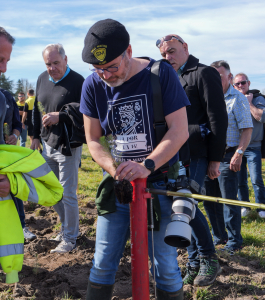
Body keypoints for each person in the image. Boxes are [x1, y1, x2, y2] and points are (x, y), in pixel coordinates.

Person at [80, 19, 190, 300]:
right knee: (103, 262)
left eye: (112, 67)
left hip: (160, 183)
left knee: (164, 265)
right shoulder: (92, 85)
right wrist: (114, 168)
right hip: (118, 186)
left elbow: (180, 130)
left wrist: (146, 165)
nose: (105, 75)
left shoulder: (159, 74)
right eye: (98, 69)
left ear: (128, 51)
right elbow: (93, 139)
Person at [157, 34, 227, 286]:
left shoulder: (204, 73)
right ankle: (194, 260)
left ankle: (209, 257)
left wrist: (215, 159)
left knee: (184, 203)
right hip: (174, 153)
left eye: (173, 51)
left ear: (186, 48)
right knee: (184, 208)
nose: (169, 57)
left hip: (197, 151)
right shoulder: (167, 76)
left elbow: (218, 117)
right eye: (165, 54)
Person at [31, 43, 84, 253]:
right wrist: (35, 135)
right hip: (46, 143)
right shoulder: (42, 79)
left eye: (56, 63)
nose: (52, 68)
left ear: (65, 59)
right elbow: (37, 108)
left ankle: (70, 239)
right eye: (48, 64)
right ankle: (65, 228)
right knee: (52, 191)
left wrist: (60, 116)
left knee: (68, 193)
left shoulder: (78, 81)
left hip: (68, 145)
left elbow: (87, 111)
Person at [205, 61, 253, 255]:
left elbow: (247, 129)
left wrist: (239, 153)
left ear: (229, 77)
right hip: (209, 157)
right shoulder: (207, 97)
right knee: (210, 200)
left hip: (228, 156)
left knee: (228, 200)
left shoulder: (238, 99)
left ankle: (234, 240)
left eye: (220, 76)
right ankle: (219, 237)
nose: (216, 80)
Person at [0, 27, 36, 241]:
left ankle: (20, 226)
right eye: (0, 59)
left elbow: (15, 123)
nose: (4, 69)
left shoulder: (4, 98)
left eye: (7, 61)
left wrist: (14, 133)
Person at [233, 72, 265, 218]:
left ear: (249, 83)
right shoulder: (232, 99)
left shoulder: (258, 98)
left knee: (256, 179)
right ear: (234, 86)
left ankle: (261, 207)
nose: (241, 85)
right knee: (240, 179)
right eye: (237, 84)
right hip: (237, 147)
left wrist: (249, 103)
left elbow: (262, 117)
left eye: (243, 82)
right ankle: (244, 205)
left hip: (253, 147)